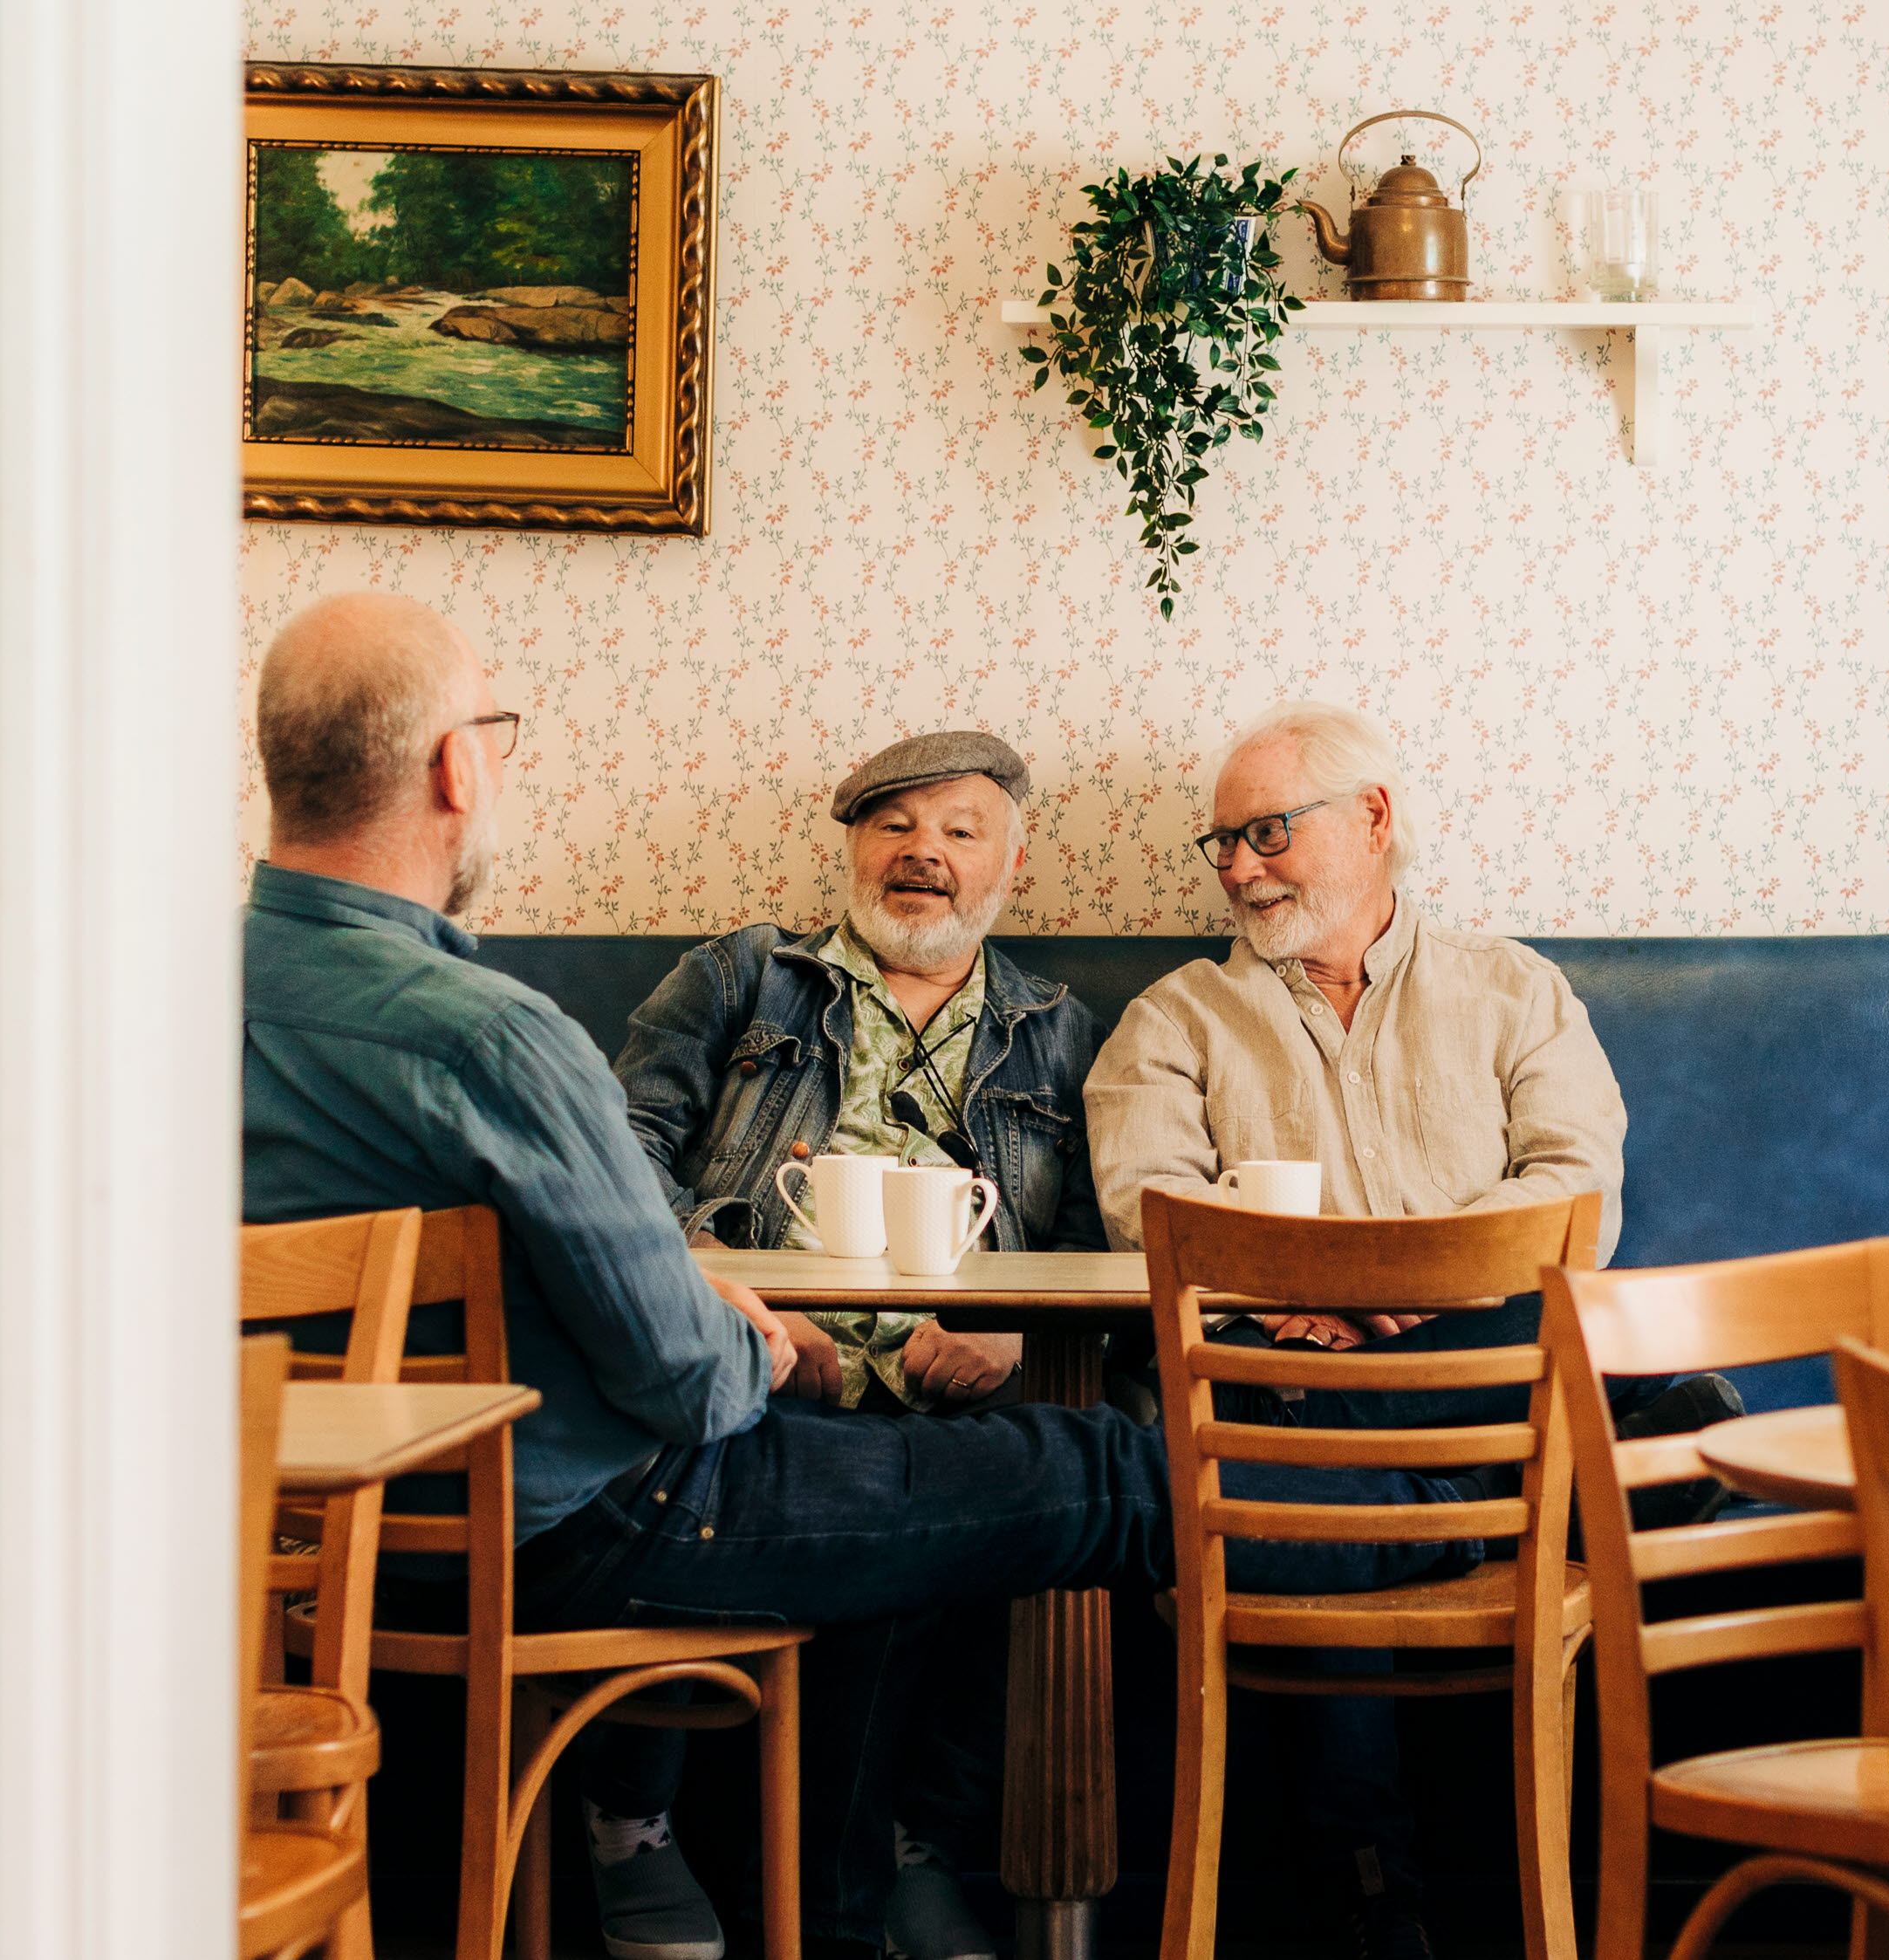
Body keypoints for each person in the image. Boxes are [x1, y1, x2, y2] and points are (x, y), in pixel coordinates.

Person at [240, 597, 1485, 1960]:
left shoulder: (161, 991)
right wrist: (753, 1339)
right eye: (501, 735)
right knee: (1103, 1475)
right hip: (601, 1515)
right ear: (456, 771)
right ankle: (1469, 1518)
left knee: (945, 1467)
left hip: (312, 1538)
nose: (923, 852)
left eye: (958, 829)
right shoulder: (503, 1035)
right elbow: (678, 1373)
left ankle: (857, 1888)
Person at [1083, 702, 1740, 1960]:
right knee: (1663, 1412)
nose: (1236, 866)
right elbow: (1149, 1205)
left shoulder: (1513, 987)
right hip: (1282, 1377)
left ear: (1372, 820)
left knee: (1315, 1490)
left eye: (1266, 830)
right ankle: (1518, 1479)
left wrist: (1411, 1288)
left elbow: (1575, 1188)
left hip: (1456, 1365)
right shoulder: (1174, 1021)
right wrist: (1324, 1289)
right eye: (1219, 842)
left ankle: (1371, 1890)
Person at [608, 732, 1103, 1958]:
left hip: (953, 1384)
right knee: (814, 1471)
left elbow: (1095, 1231)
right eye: (894, 824)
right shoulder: (741, 977)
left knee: (1035, 1463)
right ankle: (701, 1843)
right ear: (851, 845)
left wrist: (1013, 1336)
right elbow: (620, 1156)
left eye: (959, 828)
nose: (923, 851)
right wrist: (737, 1303)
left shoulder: (1054, 1027)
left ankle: (883, 1859)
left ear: (1013, 861)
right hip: (765, 1366)